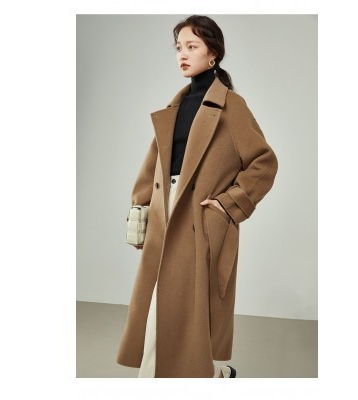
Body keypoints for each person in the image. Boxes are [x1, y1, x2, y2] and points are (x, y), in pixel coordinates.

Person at [116, 15, 278, 378]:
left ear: (213, 53)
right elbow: (155, 164)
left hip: (198, 218)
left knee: (182, 308)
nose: (183, 55)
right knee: (160, 303)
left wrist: (227, 205)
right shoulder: (174, 107)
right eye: (179, 47)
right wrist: (141, 208)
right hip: (165, 214)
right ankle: (213, 377)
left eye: (192, 46)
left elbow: (264, 162)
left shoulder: (231, 105)